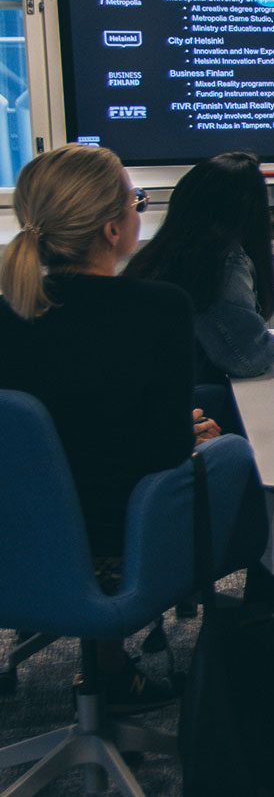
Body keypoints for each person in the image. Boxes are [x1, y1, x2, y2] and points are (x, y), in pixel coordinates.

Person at [0, 144, 208, 710]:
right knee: (229, 459)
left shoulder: (8, 310)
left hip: (13, 545)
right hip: (124, 548)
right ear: (113, 229)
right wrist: (194, 433)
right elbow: (163, 454)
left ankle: (111, 670)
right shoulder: (159, 307)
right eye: (137, 201)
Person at [123, 151, 274, 626]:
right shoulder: (220, 263)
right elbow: (248, 357)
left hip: (152, 426)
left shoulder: (158, 255)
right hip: (199, 425)